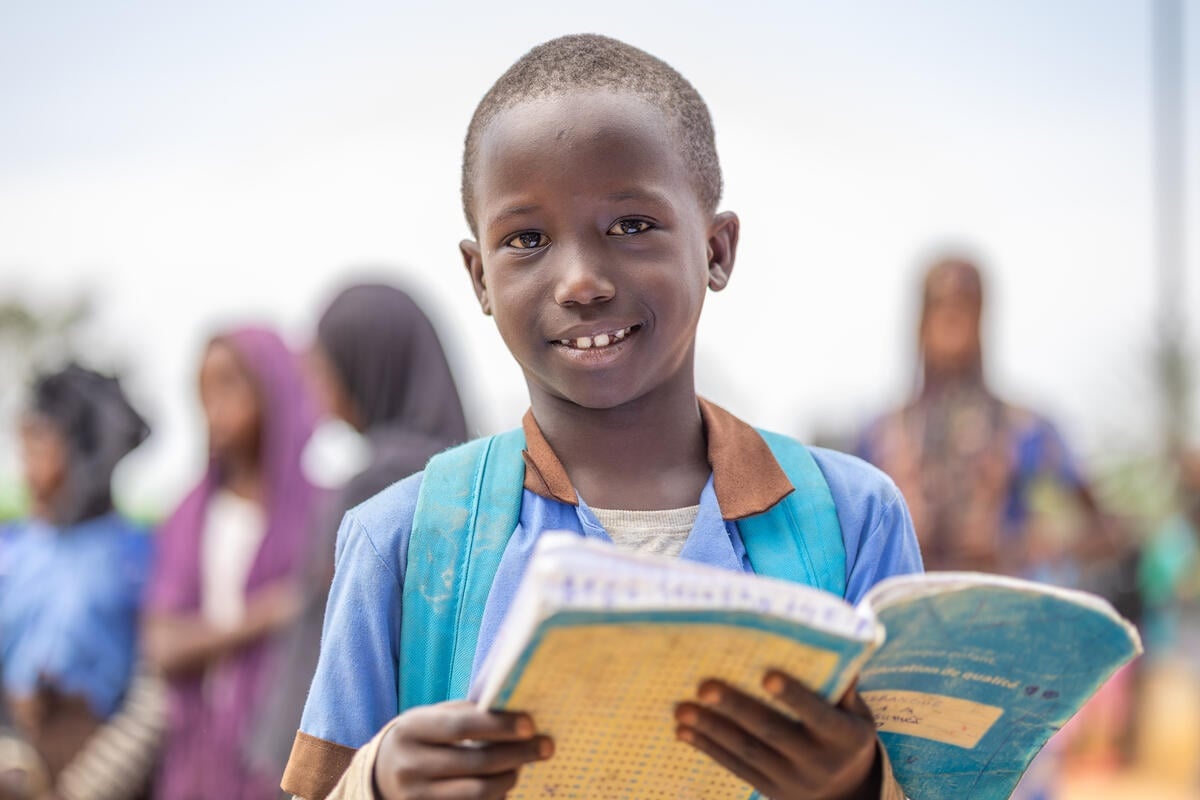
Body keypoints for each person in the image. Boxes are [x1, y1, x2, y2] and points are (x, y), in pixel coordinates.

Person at [282, 35, 922, 800]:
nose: (581, 281)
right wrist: (377, 784)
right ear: (479, 276)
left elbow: (936, 781)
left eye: (630, 226)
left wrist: (858, 782)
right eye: (527, 239)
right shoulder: (404, 538)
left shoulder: (851, 519)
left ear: (716, 250)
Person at [249, 282, 469, 774]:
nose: (316, 388)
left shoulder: (385, 484)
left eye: (323, 369)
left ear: (364, 365)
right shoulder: (466, 478)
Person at [855, 256, 1120, 580]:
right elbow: (841, 534)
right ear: (921, 320)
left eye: (965, 304)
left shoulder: (1026, 428)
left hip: (999, 615)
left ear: (982, 317)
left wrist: (1026, 545)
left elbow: (1108, 531)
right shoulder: (882, 435)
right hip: (900, 618)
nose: (952, 318)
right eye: (940, 304)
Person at [143, 327, 322, 800]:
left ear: (274, 390)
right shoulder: (187, 517)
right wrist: (267, 613)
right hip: (197, 760)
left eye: (229, 384)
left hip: (284, 756)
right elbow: (164, 646)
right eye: (203, 390)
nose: (213, 407)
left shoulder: (321, 516)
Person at [0, 364, 158, 799]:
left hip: (106, 770)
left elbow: (151, 697)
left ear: (87, 450)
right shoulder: (11, 549)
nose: (26, 464)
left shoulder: (137, 555)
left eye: (40, 443)